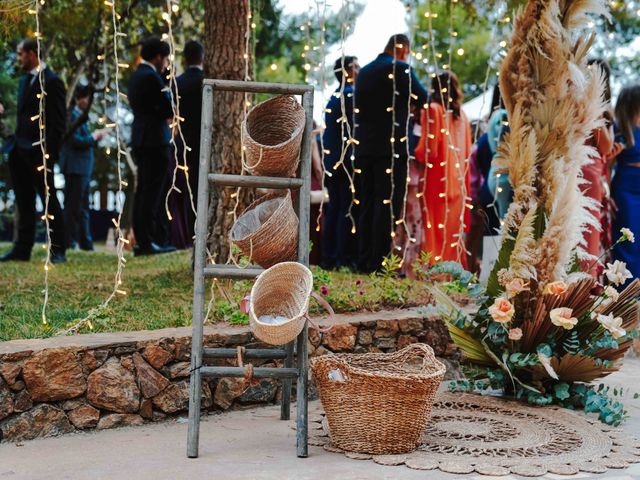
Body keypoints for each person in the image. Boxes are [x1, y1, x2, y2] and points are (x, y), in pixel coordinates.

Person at [355, 34, 429, 273]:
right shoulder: (400, 68)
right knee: (386, 205)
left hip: (364, 147)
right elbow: (424, 97)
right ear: (403, 49)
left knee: (365, 203)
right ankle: (379, 263)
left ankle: (363, 259)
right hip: (390, 147)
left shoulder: (364, 72)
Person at [1, 38, 67, 263]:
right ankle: (22, 249)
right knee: (24, 201)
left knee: (49, 201)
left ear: (32, 53)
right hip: (19, 151)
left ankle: (58, 250)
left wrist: (49, 154)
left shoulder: (53, 82)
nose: (18, 58)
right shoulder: (23, 82)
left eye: (20, 54)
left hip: (40, 154)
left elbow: (58, 124)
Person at [415, 70, 471, 267]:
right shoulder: (462, 115)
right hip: (458, 182)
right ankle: (452, 271)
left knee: (434, 230)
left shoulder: (433, 110)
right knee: (451, 230)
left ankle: (436, 270)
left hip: (436, 179)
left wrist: (415, 152)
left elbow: (428, 150)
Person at [128, 36, 176, 256]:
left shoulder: (136, 76)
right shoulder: (151, 78)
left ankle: (144, 239)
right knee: (152, 192)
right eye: (165, 58)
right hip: (154, 140)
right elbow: (168, 109)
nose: (165, 63)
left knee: (143, 191)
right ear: (158, 56)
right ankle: (147, 241)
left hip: (140, 137)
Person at [580, 59, 622, 276]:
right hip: (583, 174)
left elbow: (605, 149)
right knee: (583, 236)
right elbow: (605, 147)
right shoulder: (589, 106)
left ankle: (585, 289)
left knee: (588, 236)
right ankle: (581, 289)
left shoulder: (595, 108)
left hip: (591, 173)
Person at [321, 55, 359, 270]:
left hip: (332, 160)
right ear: (349, 70)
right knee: (345, 210)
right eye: (357, 66)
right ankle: (341, 257)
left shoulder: (334, 96)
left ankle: (331, 257)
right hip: (345, 162)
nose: (360, 70)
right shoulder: (349, 95)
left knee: (335, 209)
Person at [59, 85, 105, 251]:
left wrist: (95, 138)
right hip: (75, 168)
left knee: (83, 207)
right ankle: (69, 241)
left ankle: (86, 244)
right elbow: (75, 141)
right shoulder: (71, 116)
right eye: (87, 98)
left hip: (83, 168)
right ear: (80, 98)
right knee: (73, 207)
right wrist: (93, 136)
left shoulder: (82, 117)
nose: (89, 102)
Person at [169, 40, 204, 249]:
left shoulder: (177, 82)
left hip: (182, 143)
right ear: (202, 57)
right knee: (202, 188)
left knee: (186, 190)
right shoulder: (205, 81)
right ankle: (201, 232)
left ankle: (190, 233)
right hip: (203, 141)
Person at [611, 83, 640, 281]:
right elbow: (607, 163)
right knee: (628, 239)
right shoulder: (618, 128)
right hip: (626, 189)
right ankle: (626, 293)